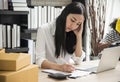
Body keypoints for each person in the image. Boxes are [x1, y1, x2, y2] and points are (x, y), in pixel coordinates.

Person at [35, 2, 86, 73]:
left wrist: (79, 36)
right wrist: (60, 67)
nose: (73, 26)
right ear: (65, 14)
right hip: (47, 75)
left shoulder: (72, 32)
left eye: (78, 24)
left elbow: (78, 60)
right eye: (72, 20)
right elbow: (39, 60)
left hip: (66, 74)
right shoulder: (44, 30)